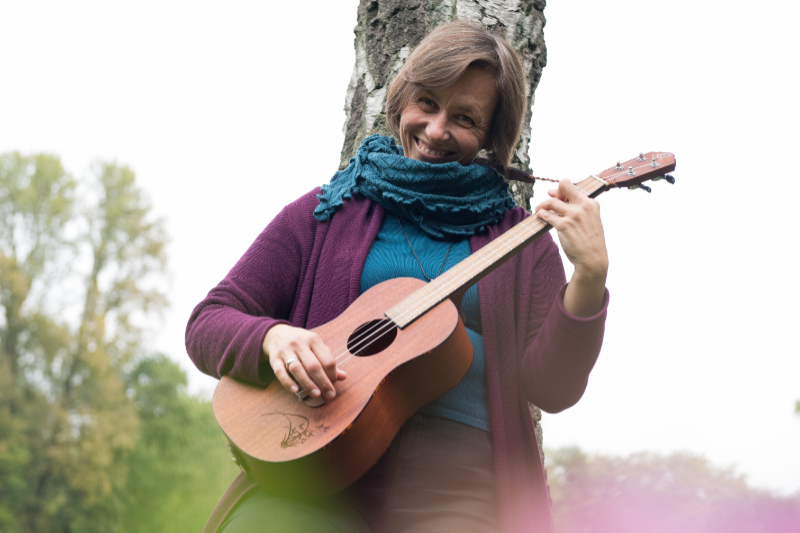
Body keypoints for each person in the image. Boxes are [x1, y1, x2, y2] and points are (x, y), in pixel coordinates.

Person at [186, 20, 609, 533]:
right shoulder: (327, 211)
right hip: (321, 466)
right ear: (402, 100)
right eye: (427, 103)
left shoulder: (523, 242)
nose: (435, 130)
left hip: (458, 484)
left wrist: (588, 278)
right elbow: (208, 321)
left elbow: (554, 388)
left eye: (464, 117)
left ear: (491, 136)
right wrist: (271, 338)